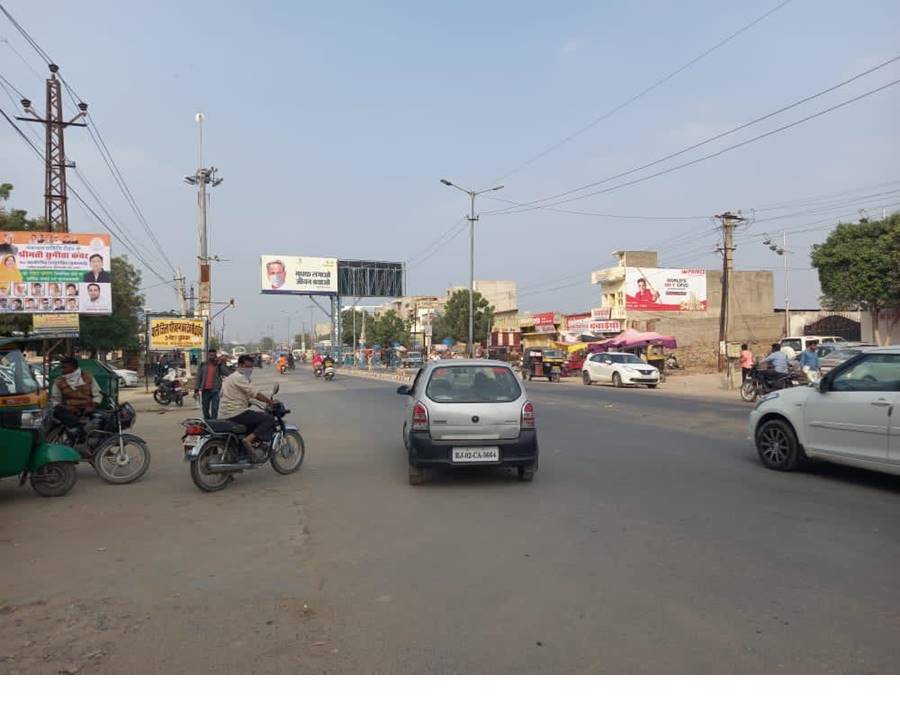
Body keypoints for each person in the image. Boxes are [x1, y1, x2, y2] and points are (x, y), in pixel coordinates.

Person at [218, 354, 275, 461]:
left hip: (224, 413)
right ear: (239, 365)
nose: (249, 369)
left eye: (251, 367)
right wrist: (269, 401)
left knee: (253, 419)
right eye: (247, 366)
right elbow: (254, 393)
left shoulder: (229, 378)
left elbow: (222, 395)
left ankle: (243, 452)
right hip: (236, 413)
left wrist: (247, 402)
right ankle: (248, 440)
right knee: (268, 419)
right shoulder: (239, 378)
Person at [51, 356, 102, 432]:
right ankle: (79, 427)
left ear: (73, 368)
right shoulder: (58, 382)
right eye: (62, 368)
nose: (63, 370)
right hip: (70, 412)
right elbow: (55, 400)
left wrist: (93, 407)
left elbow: (97, 394)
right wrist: (66, 407)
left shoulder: (88, 377)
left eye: (65, 368)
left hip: (87, 410)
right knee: (56, 411)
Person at [194, 348, 228, 420]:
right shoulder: (203, 365)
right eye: (210, 355)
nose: (212, 357)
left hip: (215, 390)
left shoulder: (218, 365)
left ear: (215, 355)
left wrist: (221, 364)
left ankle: (213, 422)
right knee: (205, 409)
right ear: (208, 355)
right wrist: (196, 389)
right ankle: (207, 421)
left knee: (215, 408)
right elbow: (198, 377)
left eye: (213, 355)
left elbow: (227, 373)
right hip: (205, 390)